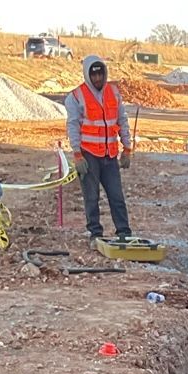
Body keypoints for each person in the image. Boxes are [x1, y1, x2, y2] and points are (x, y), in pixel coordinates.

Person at [66, 56, 132, 242]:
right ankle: (95, 233)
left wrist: (127, 148)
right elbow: (73, 126)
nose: (97, 78)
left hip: (109, 154)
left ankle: (124, 232)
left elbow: (122, 121)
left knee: (116, 195)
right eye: (93, 75)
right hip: (88, 155)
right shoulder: (76, 97)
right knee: (91, 197)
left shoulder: (114, 92)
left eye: (100, 74)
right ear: (87, 75)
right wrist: (77, 155)